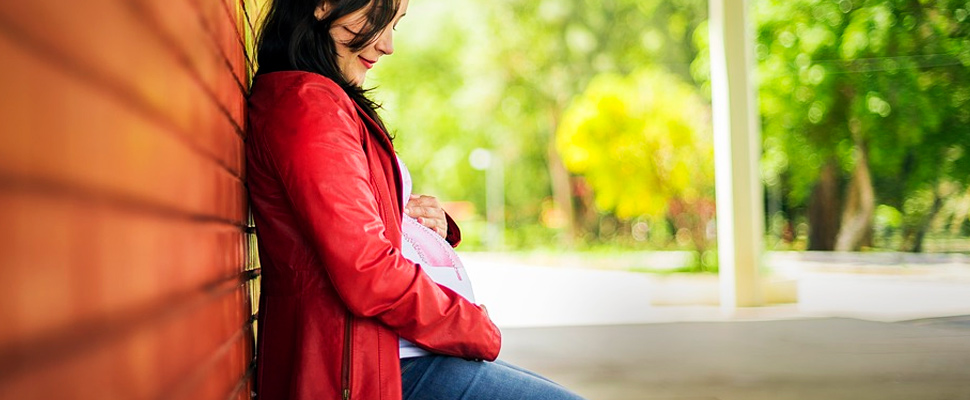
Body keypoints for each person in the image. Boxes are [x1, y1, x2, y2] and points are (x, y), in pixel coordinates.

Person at [246, 0, 586, 399]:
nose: (388, 44)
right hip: (371, 368)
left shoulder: (322, 100)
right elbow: (365, 269)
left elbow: (355, 228)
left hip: (394, 353)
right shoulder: (307, 103)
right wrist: (473, 327)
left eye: (396, 26)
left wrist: (416, 221)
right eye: (378, 20)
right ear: (324, 4)